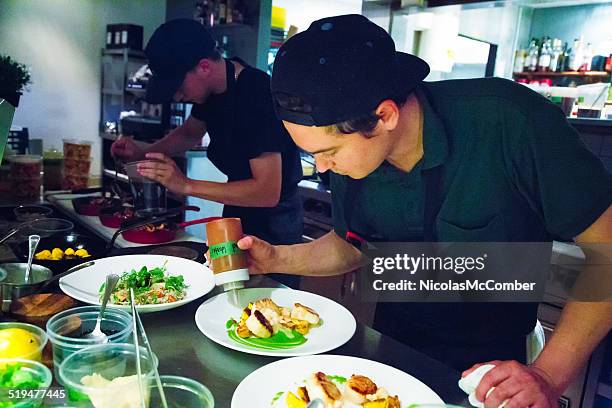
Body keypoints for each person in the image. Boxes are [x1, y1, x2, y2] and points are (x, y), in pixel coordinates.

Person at [234, 14, 612, 407]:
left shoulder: (508, 122)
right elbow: (354, 246)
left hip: (489, 375)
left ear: (384, 116)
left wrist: (547, 376)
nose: (324, 168)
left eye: (328, 153)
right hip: (390, 357)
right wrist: (276, 257)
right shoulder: (357, 153)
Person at [111, 19, 303, 287]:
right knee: (229, 290)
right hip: (238, 211)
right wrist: (142, 153)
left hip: (276, 222)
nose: (177, 97)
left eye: (178, 87)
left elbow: (267, 192)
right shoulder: (212, 93)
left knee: (269, 306)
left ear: (203, 66)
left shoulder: (256, 93)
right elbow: (189, 133)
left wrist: (185, 184)